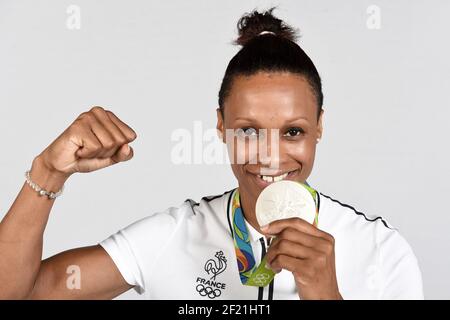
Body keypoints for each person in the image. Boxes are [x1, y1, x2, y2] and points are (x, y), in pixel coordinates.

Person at [0, 8, 423, 300]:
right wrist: (47, 173)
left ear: (320, 127)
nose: (271, 155)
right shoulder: (175, 235)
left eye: (293, 131)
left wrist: (326, 295)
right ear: (220, 127)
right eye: (248, 131)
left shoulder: (381, 250)